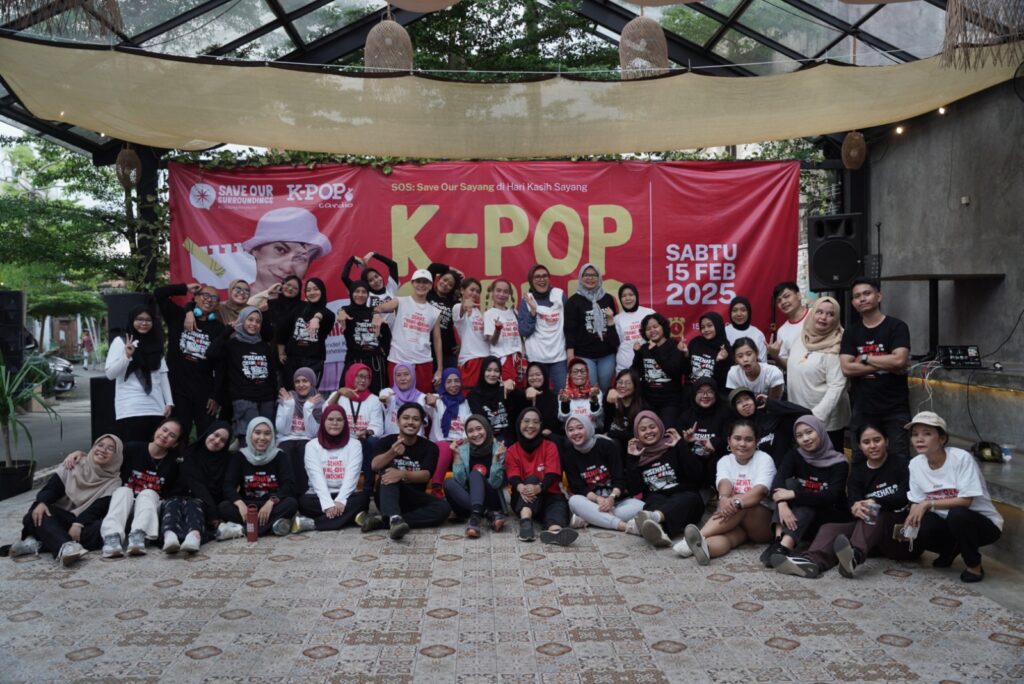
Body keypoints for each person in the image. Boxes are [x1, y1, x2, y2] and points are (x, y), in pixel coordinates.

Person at [776, 423, 914, 578]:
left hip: (900, 537)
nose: (872, 446)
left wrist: (875, 501)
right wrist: (855, 507)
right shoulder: (858, 472)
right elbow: (852, 502)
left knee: (873, 511)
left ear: (886, 441)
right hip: (870, 538)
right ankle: (811, 562)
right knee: (829, 528)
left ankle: (855, 555)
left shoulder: (902, 465)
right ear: (860, 446)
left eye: (877, 440)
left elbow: (904, 497)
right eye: (866, 442)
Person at [904, 411, 1003, 583]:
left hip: (982, 524)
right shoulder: (915, 464)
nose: (919, 439)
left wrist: (927, 503)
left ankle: (974, 565)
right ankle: (950, 550)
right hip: (948, 523)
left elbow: (966, 501)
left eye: (927, 434)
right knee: (921, 526)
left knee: (958, 514)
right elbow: (917, 501)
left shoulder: (961, 459)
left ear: (942, 439)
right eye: (915, 434)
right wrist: (911, 521)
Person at [9, 435, 124, 565]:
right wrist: (42, 502)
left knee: (101, 530)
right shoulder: (74, 463)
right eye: (100, 445)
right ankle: (66, 546)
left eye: (110, 448)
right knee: (39, 512)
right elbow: (52, 488)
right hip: (61, 517)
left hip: (84, 522)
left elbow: (98, 508)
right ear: (93, 447)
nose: (103, 450)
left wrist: (79, 523)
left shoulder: (114, 481)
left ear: (117, 456)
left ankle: (39, 544)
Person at [678, 419, 776, 563]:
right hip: (734, 520)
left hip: (762, 524)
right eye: (737, 438)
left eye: (748, 440)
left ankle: (693, 538)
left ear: (756, 442)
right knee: (727, 538)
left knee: (739, 499)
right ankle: (703, 548)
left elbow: (760, 491)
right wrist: (723, 498)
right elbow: (725, 482)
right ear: (729, 440)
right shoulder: (725, 460)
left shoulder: (764, 459)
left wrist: (735, 502)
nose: (742, 444)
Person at [765, 415, 851, 569]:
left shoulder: (839, 462)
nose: (805, 438)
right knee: (789, 484)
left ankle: (783, 546)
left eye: (809, 432)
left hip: (829, 517)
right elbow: (777, 483)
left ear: (820, 431)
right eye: (799, 435)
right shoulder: (795, 455)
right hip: (799, 520)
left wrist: (794, 495)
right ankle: (779, 541)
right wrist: (782, 504)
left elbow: (833, 496)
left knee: (806, 497)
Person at [840, 278, 911, 460]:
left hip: (895, 409)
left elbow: (899, 360)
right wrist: (887, 362)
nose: (862, 299)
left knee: (898, 459)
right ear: (853, 303)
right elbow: (847, 368)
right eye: (857, 296)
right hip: (862, 409)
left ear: (878, 296)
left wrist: (864, 358)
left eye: (867, 293)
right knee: (860, 460)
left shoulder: (897, 327)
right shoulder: (851, 332)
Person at [362, 403, 452, 539]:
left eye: (416, 419)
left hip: (414, 497)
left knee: (444, 508)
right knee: (389, 475)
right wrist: (392, 452)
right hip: (388, 495)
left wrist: (402, 474)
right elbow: (375, 465)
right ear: (398, 421)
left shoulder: (430, 447)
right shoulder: (385, 442)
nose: (410, 422)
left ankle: (386, 521)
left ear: (421, 423)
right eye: (406, 418)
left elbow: (426, 475)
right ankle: (394, 518)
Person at [99, 418, 184, 558]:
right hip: (124, 506)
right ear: (157, 429)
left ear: (175, 443)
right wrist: (80, 455)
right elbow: (104, 458)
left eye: (172, 435)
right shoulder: (131, 449)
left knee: (148, 493)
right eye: (164, 430)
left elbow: (174, 491)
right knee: (123, 490)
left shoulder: (175, 462)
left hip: (150, 510)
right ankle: (111, 538)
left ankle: (138, 537)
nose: (165, 436)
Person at [154, 281, 225, 440]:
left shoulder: (219, 329)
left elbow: (221, 366)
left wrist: (216, 395)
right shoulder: (178, 316)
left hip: (204, 392)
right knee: (178, 434)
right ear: (196, 298)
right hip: (177, 389)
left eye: (214, 298)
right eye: (205, 295)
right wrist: (185, 288)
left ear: (217, 305)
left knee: (206, 436)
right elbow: (159, 293)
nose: (209, 299)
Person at [625, 411, 704, 548]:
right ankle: (660, 531)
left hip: (684, 498)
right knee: (652, 502)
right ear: (637, 434)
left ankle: (654, 518)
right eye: (643, 429)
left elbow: (697, 475)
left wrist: (681, 445)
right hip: (657, 500)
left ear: (660, 427)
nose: (648, 432)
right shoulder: (638, 455)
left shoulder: (673, 446)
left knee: (689, 498)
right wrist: (633, 460)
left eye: (652, 427)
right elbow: (634, 490)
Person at [505, 407, 577, 545]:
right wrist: (521, 488)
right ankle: (526, 523)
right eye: (526, 421)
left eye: (535, 422)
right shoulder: (512, 450)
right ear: (519, 424)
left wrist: (539, 488)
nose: (531, 425)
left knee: (557, 507)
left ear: (540, 425)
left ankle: (554, 532)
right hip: (522, 497)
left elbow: (552, 474)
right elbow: (513, 477)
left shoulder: (550, 446)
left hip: (549, 493)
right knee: (531, 479)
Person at [293, 404, 370, 532]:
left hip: (347, 495)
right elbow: (316, 476)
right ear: (323, 421)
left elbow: (352, 474)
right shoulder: (312, 445)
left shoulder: (355, 444)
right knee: (303, 503)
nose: (335, 423)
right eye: (330, 419)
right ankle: (350, 517)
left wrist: (341, 500)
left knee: (363, 500)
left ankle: (312, 524)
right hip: (318, 496)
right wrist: (327, 504)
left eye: (339, 420)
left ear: (345, 422)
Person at [786, 296, 850, 449]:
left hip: (825, 422)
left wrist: (816, 416)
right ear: (812, 313)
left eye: (830, 314)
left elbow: (837, 386)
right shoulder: (802, 336)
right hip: (800, 416)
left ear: (836, 318)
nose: (823, 317)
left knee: (828, 460)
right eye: (819, 312)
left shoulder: (838, 344)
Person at [218, 417, 298, 538]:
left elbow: (289, 484)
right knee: (224, 507)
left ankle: (245, 529)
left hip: (272, 505)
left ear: (272, 436)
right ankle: (271, 526)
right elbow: (228, 485)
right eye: (257, 433)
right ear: (250, 434)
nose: (262, 438)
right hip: (248, 506)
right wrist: (239, 503)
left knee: (291, 504)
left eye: (267, 433)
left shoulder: (280, 456)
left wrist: (271, 501)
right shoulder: (240, 456)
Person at [104, 305, 173, 444]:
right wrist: (126, 356)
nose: (144, 323)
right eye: (139, 319)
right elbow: (110, 374)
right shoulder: (121, 342)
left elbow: (162, 375)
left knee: (153, 449)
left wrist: (169, 402)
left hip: (156, 407)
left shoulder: (156, 344)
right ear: (132, 320)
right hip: (130, 407)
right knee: (133, 450)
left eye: (148, 320)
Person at [209, 306, 278, 443]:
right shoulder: (231, 344)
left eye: (258, 321)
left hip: (266, 399)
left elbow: (271, 373)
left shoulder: (264, 346)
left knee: (265, 437)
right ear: (242, 320)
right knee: (248, 437)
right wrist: (226, 332)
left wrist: (273, 396)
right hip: (243, 398)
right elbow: (211, 353)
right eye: (250, 320)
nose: (254, 324)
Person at [564, 416, 642, 533]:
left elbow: (620, 479)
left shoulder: (607, 446)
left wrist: (611, 498)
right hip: (591, 503)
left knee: (641, 506)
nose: (575, 433)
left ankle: (591, 519)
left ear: (588, 428)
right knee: (574, 501)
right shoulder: (569, 455)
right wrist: (598, 499)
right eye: (571, 430)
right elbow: (579, 488)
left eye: (580, 428)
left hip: (617, 501)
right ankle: (625, 526)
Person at [374, 269, 444, 393]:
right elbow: (379, 308)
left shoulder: (435, 311)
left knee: (422, 399)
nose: (421, 285)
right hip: (398, 360)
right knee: (397, 398)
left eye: (425, 282)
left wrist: (440, 368)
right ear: (412, 283)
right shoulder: (399, 301)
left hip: (423, 361)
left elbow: (437, 340)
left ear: (430, 285)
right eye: (418, 281)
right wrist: (376, 315)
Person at [442, 414, 508, 537]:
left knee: (475, 474)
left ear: (486, 428)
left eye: (479, 429)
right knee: (448, 482)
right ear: (466, 434)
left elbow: (495, 484)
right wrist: (456, 455)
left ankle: (475, 520)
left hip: (491, 499)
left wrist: (496, 459)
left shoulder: (498, 449)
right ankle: (487, 514)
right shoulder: (463, 450)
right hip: (467, 502)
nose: (475, 434)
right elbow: (460, 483)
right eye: (470, 431)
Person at [242, 206, 331, 295]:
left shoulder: (308, 304)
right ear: (255, 250)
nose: (287, 268)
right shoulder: (237, 302)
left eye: (300, 258)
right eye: (280, 250)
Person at [330, 364, 384, 495]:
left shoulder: (374, 400)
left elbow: (377, 426)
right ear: (351, 376)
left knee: (372, 442)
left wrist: (367, 432)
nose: (363, 380)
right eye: (359, 376)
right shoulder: (339, 396)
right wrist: (338, 393)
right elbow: (327, 413)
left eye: (367, 377)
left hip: (362, 439)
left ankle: (368, 487)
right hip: (342, 437)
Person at [564, 263, 619, 393]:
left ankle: (606, 407)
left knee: (605, 388)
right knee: (592, 390)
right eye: (586, 275)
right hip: (584, 354)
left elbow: (614, 325)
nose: (590, 278)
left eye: (594, 275)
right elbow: (569, 330)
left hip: (607, 354)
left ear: (599, 277)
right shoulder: (573, 301)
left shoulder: (608, 299)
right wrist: (570, 355)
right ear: (580, 277)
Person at [517, 263, 568, 392]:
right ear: (531, 280)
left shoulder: (560, 295)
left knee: (562, 394)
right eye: (537, 277)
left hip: (559, 357)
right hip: (536, 358)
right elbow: (524, 331)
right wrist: (533, 312)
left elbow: (569, 324)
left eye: (545, 276)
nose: (542, 279)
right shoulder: (527, 301)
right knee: (537, 395)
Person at [277, 277, 335, 389]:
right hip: (292, 359)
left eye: (315, 289)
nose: (312, 292)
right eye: (308, 290)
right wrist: (281, 352)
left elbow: (324, 312)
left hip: (313, 360)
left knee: (309, 393)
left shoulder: (329, 314)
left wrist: (317, 318)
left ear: (322, 291)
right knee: (290, 393)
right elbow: (283, 330)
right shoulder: (298, 309)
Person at [180, 421, 233, 541]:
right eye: (216, 435)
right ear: (209, 432)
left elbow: (228, 487)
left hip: (219, 506)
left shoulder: (229, 460)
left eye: (223, 440)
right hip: (195, 501)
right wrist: (213, 513)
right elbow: (196, 486)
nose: (217, 441)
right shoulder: (189, 454)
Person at [631, 313, 686, 428]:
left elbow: (674, 371)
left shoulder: (674, 345)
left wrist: (655, 351)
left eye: (655, 326)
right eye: (648, 329)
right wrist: (637, 354)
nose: (652, 331)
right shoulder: (644, 348)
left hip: (670, 402)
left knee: (667, 431)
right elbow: (636, 372)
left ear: (663, 327)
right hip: (648, 401)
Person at [275, 367, 323, 495]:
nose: (301, 385)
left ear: (312, 382)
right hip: (287, 438)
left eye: (305, 381)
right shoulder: (287, 398)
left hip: (308, 439)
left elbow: (313, 433)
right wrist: (289, 406)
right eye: (297, 381)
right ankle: (287, 493)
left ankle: (303, 494)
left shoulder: (318, 402)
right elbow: (283, 430)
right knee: (286, 450)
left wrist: (308, 408)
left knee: (305, 448)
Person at [676, 376, 731, 485]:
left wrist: (715, 442)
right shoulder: (685, 416)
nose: (705, 396)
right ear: (694, 394)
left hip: (717, 462)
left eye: (710, 392)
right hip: (694, 464)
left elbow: (730, 438)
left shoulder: (725, 414)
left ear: (716, 394)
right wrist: (687, 441)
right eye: (700, 392)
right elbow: (679, 446)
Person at [727, 388, 805, 464]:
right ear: (735, 408)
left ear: (754, 400)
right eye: (739, 402)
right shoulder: (736, 432)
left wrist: (772, 403)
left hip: (784, 469)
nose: (745, 404)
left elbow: (804, 412)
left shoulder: (775, 419)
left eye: (747, 399)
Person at [428, 368, 473, 495]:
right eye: (449, 381)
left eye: (456, 381)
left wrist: (460, 441)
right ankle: (436, 487)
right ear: (443, 383)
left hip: (461, 442)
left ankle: (466, 489)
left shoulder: (466, 403)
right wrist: (428, 397)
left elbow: (469, 424)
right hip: (441, 443)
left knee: (466, 449)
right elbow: (422, 400)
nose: (453, 385)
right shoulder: (437, 400)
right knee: (445, 448)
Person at [342, 279, 388, 394]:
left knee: (377, 396)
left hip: (375, 363)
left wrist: (383, 351)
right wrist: (340, 314)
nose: (360, 295)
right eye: (357, 291)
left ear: (368, 295)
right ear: (351, 293)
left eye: (364, 292)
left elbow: (386, 335)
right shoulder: (346, 311)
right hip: (354, 361)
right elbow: (340, 314)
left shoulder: (374, 312)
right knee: (350, 395)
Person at [452, 278, 490, 392]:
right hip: (470, 359)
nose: (475, 293)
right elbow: (463, 308)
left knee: (485, 394)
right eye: (472, 290)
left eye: (478, 291)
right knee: (469, 393)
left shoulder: (479, 312)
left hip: (485, 358)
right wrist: (465, 304)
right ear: (462, 290)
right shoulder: (457, 307)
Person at [484, 279, 524, 384]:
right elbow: (492, 341)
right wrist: (498, 329)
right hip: (503, 359)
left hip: (518, 359)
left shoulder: (514, 312)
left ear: (509, 294)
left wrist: (523, 357)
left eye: (505, 291)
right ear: (492, 292)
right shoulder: (489, 314)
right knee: (507, 389)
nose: (502, 294)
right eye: (498, 290)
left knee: (519, 390)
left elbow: (519, 337)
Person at [507, 362, 561, 440]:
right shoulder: (521, 395)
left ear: (544, 376)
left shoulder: (553, 396)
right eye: (531, 375)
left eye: (538, 374)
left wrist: (551, 429)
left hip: (546, 438)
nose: (535, 378)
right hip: (524, 437)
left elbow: (557, 420)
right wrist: (526, 392)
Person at [468, 356, 513, 444]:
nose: (492, 374)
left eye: (496, 371)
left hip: (508, 437)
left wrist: (512, 383)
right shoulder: (474, 395)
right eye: (488, 370)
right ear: (483, 371)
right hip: (485, 438)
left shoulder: (504, 390)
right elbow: (479, 421)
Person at [426, 263, 463, 370]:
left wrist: (463, 344)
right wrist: (454, 270)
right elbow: (432, 268)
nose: (445, 284)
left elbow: (465, 323)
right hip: (426, 347)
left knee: (451, 378)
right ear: (439, 279)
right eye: (444, 279)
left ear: (453, 289)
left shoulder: (454, 304)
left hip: (447, 351)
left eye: (450, 284)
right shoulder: (428, 294)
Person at [604, 369, 649, 454]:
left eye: (628, 383)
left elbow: (637, 433)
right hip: (609, 442)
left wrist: (611, 434)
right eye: (620, 382)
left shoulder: (642, 406)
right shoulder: (611, 398)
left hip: (631, 444)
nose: (623, 386)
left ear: (635, 386)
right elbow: (605, 419)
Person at [614, 283, 656, 373]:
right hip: (624, 367)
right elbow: (617, 344)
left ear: (636, 296)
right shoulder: (617, 319)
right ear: (620, 299)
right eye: (624, 296)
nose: (627, 298)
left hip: (647, 365)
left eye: (631, 294)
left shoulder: (649, 312)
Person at [379, 363, 430, 437]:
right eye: (398, 375)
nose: (402, 378)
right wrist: (384, 399)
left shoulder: (422, 398)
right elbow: (384, 394)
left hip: (415, 440)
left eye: (406, 374)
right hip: (392, 440)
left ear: (413, 376)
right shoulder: (390, 394)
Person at [767, 281, 807, 372]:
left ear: (799, 295)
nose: (783, 302)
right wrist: (775, 356)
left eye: (786, 296)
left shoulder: (816, 315)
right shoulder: (782, 331)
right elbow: (787, 366)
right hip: (797, 379)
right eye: (779, 300)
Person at [686, 312, 731, 391]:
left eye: (709, 326)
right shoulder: (695, 342)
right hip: (692, 391)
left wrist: (720, 362)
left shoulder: (725, 348)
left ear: (718, 326)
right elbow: (686, 371)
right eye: (703, 327)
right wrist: (685, 355)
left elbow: (723, 382)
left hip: (713, 392)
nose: (706, 330)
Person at [558, 358, 604, 431]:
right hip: (572, 433)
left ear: (587, 373)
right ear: (570, 374)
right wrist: (565, 404)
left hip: (592, 430)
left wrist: (594, 401)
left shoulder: (595, 392)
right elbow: (563, 419)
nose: (579, 374)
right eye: (575, 372)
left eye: (582, 371)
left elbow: (597, 416)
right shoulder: (564, 394)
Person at [724, 296, 767, 362]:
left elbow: (763, 363)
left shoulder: (758, 334)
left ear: (748, 312)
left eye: (743, 310)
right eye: (735, 310)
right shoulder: (724, 332)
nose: (739, 314)